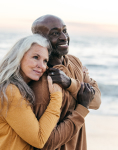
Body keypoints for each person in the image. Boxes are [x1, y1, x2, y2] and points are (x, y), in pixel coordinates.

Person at [0, 34, 64, 150]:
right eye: (36, 57)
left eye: (45, 61)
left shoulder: (16, 87)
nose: (41, 66)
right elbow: (39, 139)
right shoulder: (10, 91)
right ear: (19, 57)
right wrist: (57, 96)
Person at [30, 15, 101, 150]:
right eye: (55, 33)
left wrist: (70, 83)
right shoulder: (43, 82)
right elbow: (45, 143)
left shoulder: (74, 62)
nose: (64, 37)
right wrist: (82, 105)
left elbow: (96, 102)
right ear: (40, 40)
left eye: (65, 31)